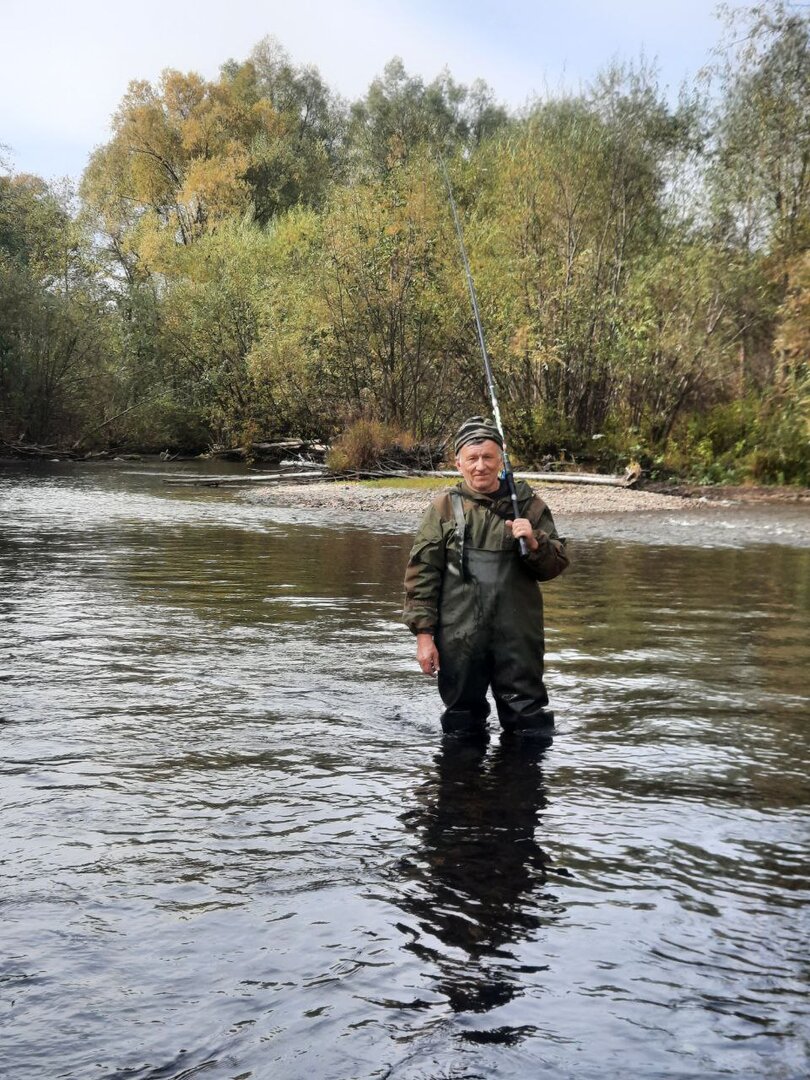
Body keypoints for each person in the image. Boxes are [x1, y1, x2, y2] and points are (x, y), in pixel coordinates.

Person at [403, 416, 569, 737]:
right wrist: (424, 636)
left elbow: (555, 566)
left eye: (488, 457)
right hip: (459, 640)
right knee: (462, 724)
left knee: (528, 724)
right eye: (472, 459)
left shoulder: (529, 507)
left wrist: (535, 541)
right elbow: (422, 574)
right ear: (458, 463)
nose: (480, 466)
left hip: (518, 640)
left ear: (501, 460)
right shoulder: (442, 509)